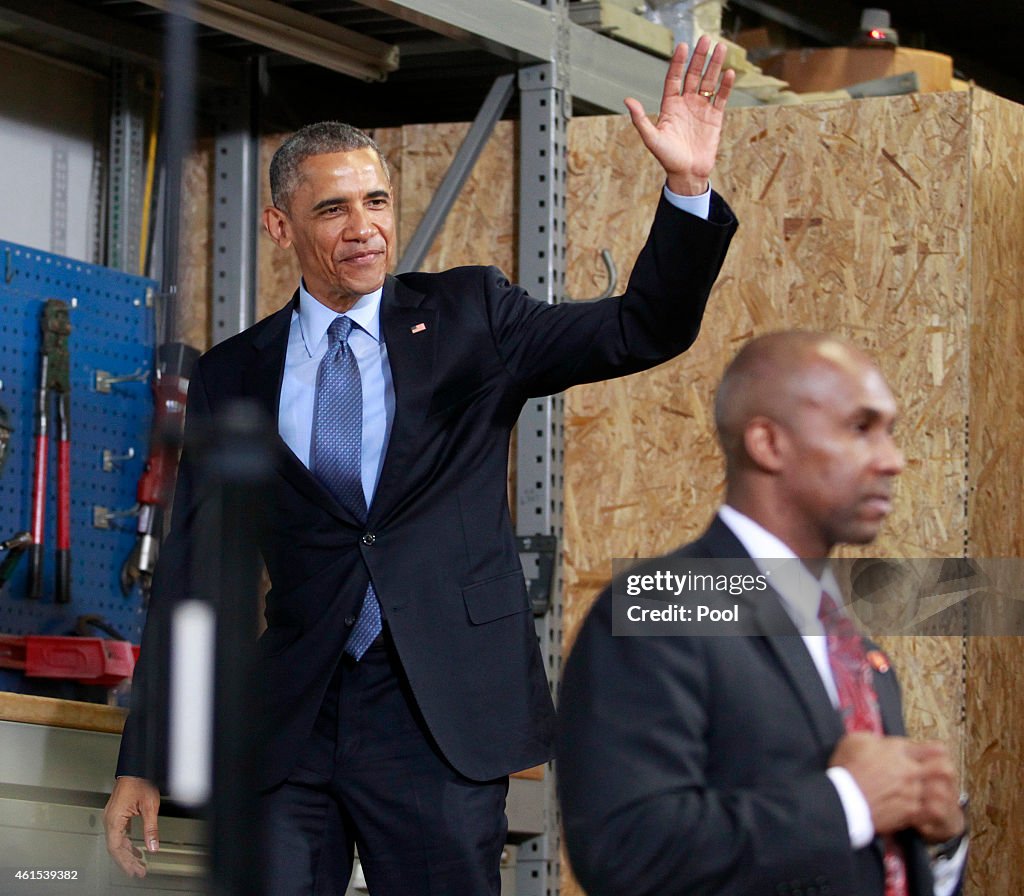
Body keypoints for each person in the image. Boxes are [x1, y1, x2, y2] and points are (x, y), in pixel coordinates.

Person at [102, 36, 738, 895]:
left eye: (378, 200)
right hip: (293, 721)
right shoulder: (232, 374)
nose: (365, 228)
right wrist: (142, 758)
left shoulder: (474, 314)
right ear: (279, 225)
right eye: (334, 210)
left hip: (438, 715)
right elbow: (190, 570)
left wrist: (688, 188)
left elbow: (641, 328)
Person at [558, 331, 968, 896]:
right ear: (768, 444)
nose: (893, 460)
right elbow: (627, 851)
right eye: (860, 428)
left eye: (890, 432)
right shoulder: (659, 606)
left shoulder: (851, 645)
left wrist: (939, 845)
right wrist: (847, 801)